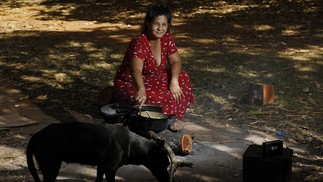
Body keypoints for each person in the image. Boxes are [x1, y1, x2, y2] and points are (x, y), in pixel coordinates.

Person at [113, 4, 194, 131]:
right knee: (150, 101)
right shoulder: (139, 42)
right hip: (132, 82)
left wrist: (174, 81)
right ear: (147, 23)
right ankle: (167, 119)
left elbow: (176, 61)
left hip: (155, 78)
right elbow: (136, 71)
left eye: (164, 25)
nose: (160, 28)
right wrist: (141, 89)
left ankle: (172, 117)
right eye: (156, 24)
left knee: (182, 77)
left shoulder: (166, 38)